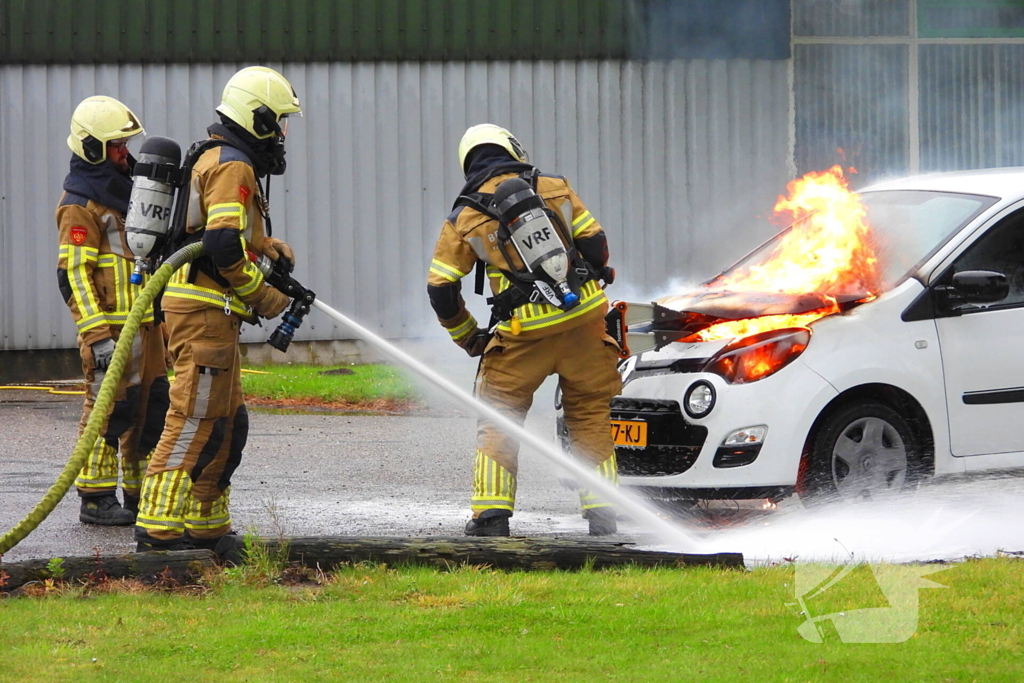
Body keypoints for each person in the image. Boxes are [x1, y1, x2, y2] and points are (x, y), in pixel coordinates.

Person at [134, 66, 300, 558]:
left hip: (210, 310)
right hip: (203, 309)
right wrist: (265, 296)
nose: (284, 133)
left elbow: (211, 229)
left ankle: (207, 524)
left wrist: (266, 245)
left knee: (229, 421)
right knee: (194, 416)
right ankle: (158, 528)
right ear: (259, 117)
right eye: (280, 121)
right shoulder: (233, 164)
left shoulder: (219, 156)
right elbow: (223, 244)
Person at [427, 123, 622, 537]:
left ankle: (492, 518)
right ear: (511, 148)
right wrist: (597, 272)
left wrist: (468, 336)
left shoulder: (465, 216)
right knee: (590, 416)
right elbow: (595, 241)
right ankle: (603, 514)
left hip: (523, 334)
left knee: (500, 419)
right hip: (584, 321)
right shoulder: (554, 186)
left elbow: (441, 287)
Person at [56, 96, 171, 526]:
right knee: (108, 414)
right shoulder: (80, 203)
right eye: (116, 146)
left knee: (150, 411)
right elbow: (73, 276)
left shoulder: (129, 195)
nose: (125, 154)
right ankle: (96, 498)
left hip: (145, 326)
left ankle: (138, 495)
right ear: (92, 148)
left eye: (125, 144)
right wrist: (97, 336)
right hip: (111, 332)